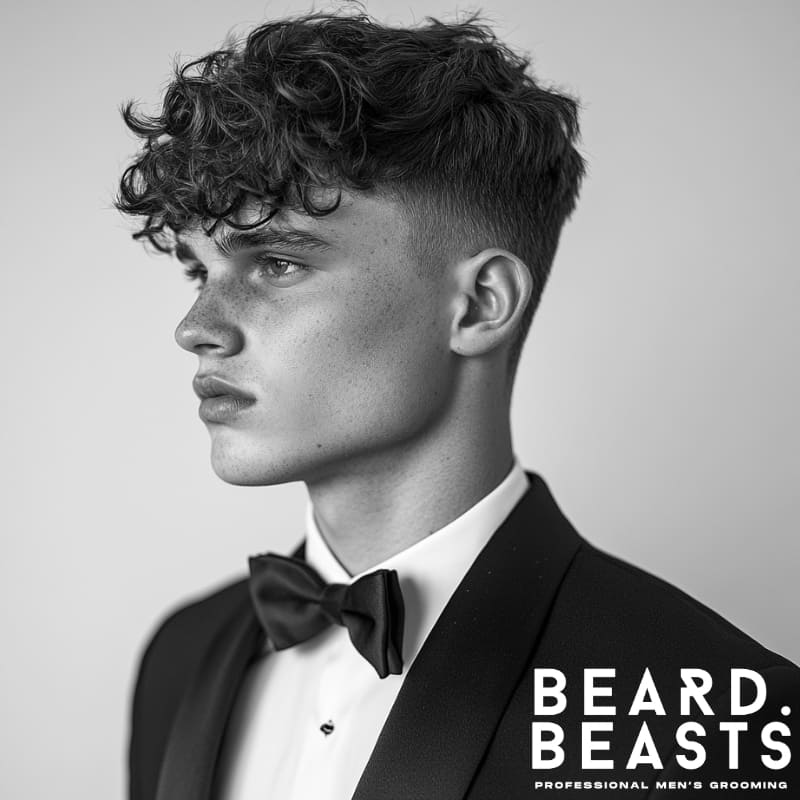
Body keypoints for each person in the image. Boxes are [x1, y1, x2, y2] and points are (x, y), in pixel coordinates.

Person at [116, 11, 799, 800]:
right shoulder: (180, 655)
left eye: (276, 261)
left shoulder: (708, 711)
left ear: (479, 305)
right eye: (199, 272)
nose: (195, 328)